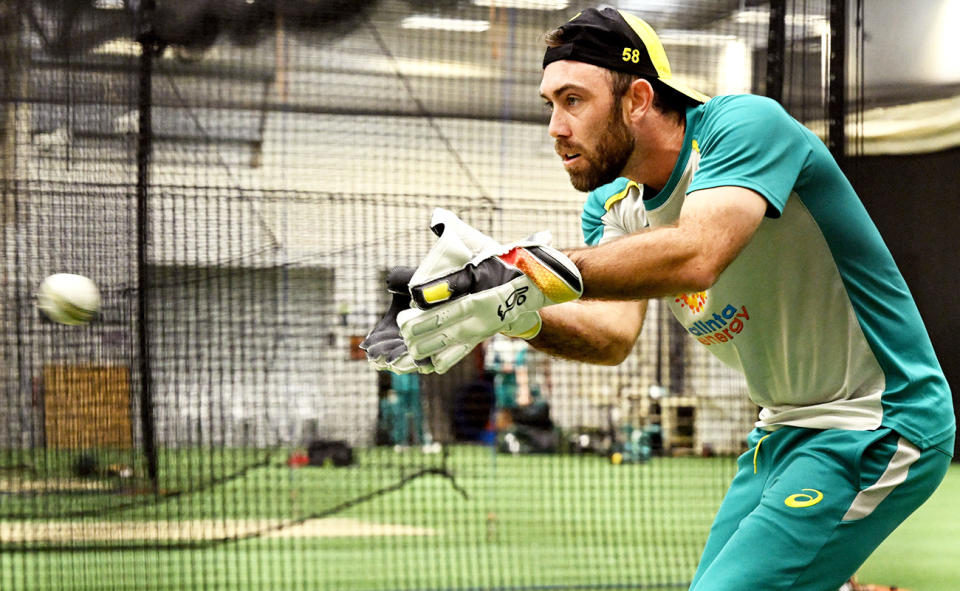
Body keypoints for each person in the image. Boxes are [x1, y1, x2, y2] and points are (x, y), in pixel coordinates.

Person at [364, 6, 954, 590]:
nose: (555, 127)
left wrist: (520, 270)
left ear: (638, 100)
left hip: (879, 419)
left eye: (574, 100)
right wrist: (509, 315)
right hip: (781, 433)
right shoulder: (610, 207)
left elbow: (698, 254)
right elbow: (613, 336)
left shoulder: (743, 126)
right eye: (550, 104)